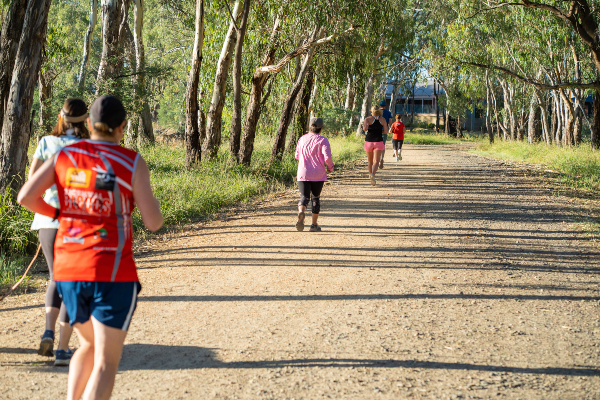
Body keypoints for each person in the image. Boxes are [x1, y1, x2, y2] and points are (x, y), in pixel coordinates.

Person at [18, 95, 163, 400]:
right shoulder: (131, 161)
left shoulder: (65, 156)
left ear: (88, 123)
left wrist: (61, 213)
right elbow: (154, 223)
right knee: (106, 363)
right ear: (122, 127)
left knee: (89, 345)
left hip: (69, 272)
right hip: (112, 274)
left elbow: (26, 197)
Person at [31, 98, 90, 366]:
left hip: (46, 220)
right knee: (72, 281)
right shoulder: (89, 148)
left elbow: (33, 183)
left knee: (56, 276)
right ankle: (64, 349)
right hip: (76, 222)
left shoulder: (46, 143)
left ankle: (48, 331)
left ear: (61, 116)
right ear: (86, 120)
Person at [294, 117, 334, 232]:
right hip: (318, 174)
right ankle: (314, 225)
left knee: (304, 197)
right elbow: (327, 157)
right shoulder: (323, 140)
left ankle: (301, 211)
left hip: (303, 173)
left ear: (309, 127)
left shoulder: (302, 139)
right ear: (321, 129)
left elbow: (297, 156)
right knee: (315, 198)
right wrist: (330, 167)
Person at [362, 104, 388, 186]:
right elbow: (386, 131)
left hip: (369, 142)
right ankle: (373, 174)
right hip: (378, 142)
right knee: (376, 161)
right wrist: (379, 130)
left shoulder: (367, 119)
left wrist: (366, 125)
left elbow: (365, 129)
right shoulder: (383, 119)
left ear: (371, 111)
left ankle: (370, 174)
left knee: (370, 161)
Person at [379, 100, 393, 169]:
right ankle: (382, 158)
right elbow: (390, 122)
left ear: (380, 105)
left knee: (376, 145)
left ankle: (377, 160)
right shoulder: (388, 112)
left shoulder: (377, 112)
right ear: (385, 105)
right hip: (384, 130)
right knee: (382, 145)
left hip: (377, 131)